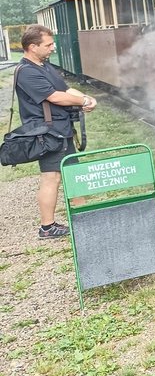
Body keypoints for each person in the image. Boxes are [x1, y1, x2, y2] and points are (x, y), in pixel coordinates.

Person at [15, 25, 97, 239]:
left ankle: (83, 218)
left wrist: (87, 99)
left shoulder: (44, 66)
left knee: (73, 175)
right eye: (48, 44)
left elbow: (65, 89)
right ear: (33, 47)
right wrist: (83, 101)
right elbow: (55, 97)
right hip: (48, 133)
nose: (53, 48)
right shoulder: (27, 72)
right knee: (51, 176)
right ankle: (47, 226)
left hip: (60, 130)